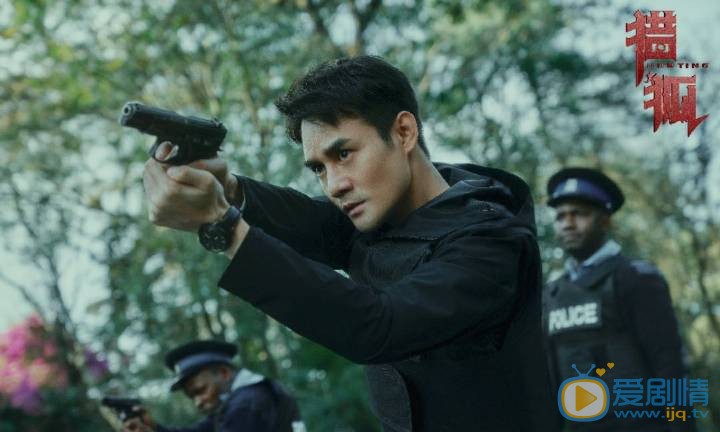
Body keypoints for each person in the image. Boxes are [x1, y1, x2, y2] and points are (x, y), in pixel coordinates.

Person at [142, 55, 558, 431]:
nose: (334, 185)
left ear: (404, 131)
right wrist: (229, 188)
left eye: (343, 154)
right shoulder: (380, 216)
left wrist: (223, 224)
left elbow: (378, 326)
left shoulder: (492, 241)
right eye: (319, 169)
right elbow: (308, 220)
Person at [543, 167, 694, 432]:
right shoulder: (551, 294)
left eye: (579, 214)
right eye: (560, 216)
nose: (568, 223)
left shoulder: (636, 278)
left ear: (605, 221)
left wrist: (681, 427)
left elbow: (669, 364)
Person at [122, 340, 302, 432]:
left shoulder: (245, 405)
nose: (198, 402)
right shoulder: (242, 399)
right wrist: (154, 427)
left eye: (200, 391)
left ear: (224, 373)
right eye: (192, 397)